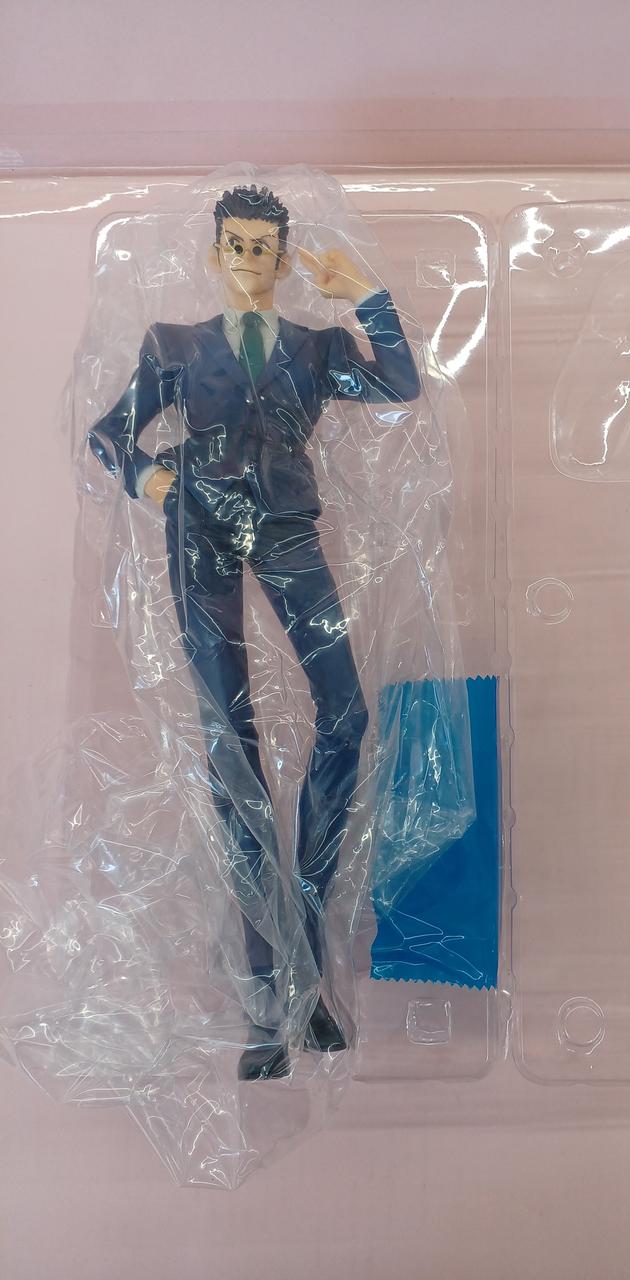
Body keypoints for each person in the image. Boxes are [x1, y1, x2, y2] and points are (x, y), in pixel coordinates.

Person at [87, 184, 421, 1079]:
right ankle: (272, 1000)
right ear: (215, 253)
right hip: (197, 531)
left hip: (286, 530)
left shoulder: (316, 348)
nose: (246, 260)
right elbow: (110, 434)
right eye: (233, 245)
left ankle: (305, 952)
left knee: (346, 714)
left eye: (262, 247)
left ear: (282, 255)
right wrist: (150, 479)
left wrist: (366, 296)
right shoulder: (174, 344)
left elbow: (399, 382)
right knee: (228, 740)